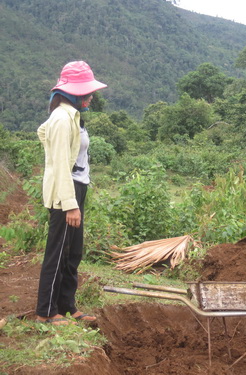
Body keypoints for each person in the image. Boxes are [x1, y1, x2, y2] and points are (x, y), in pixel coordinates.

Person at [35, 61, 107, 325]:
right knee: (57, 253)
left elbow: (43, 134)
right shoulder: (62, 118)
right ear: (73, 92)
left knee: (73, 252)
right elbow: (61, 164)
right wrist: (70, 204)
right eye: (86, 91)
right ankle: (46, 311)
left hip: (78, 187)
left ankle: (67, 305)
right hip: (66, 192)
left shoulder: (71, 115)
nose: (90, 96)